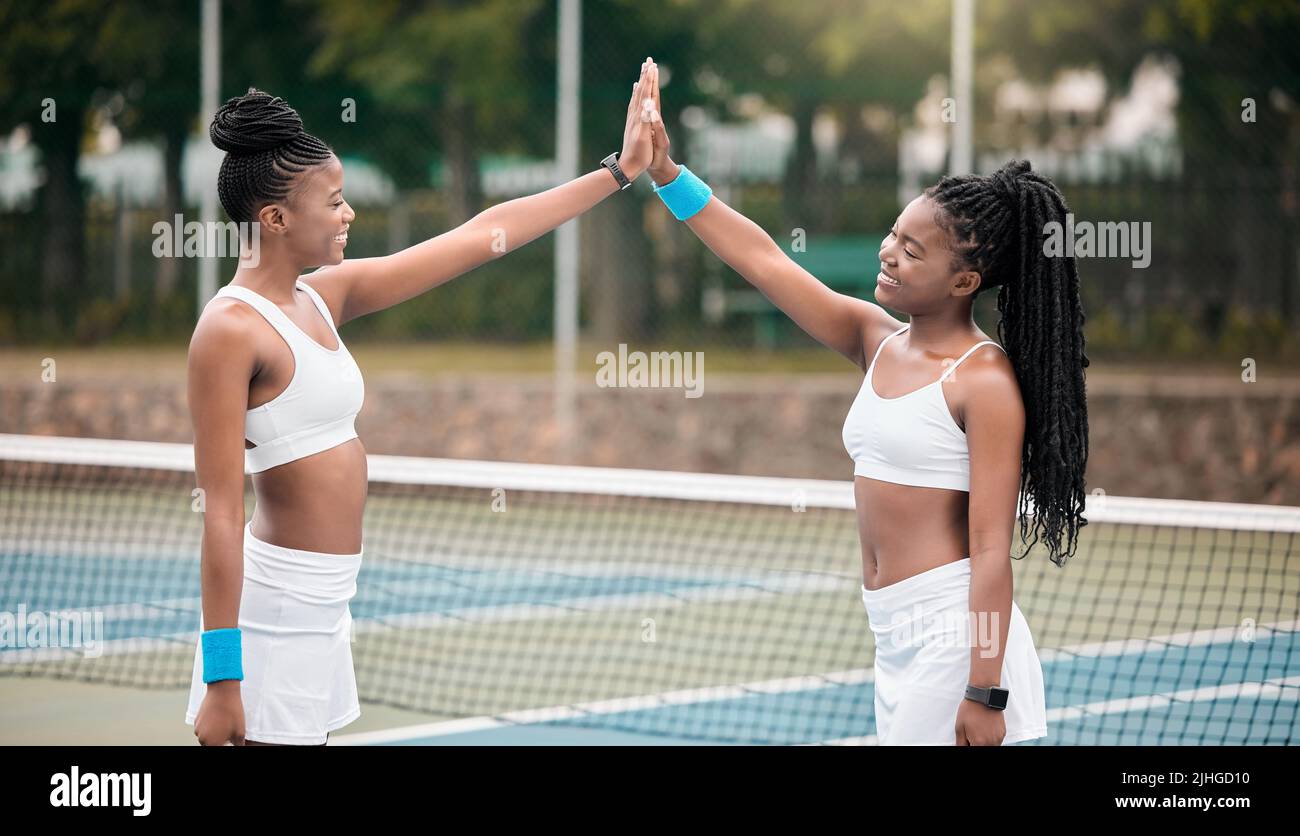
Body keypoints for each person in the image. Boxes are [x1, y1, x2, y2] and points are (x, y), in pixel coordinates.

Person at [186, 63, 660, 746]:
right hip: (272, 612)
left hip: (325, 603)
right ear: (275, 217)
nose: (349, 213)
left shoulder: (324, 295)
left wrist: (619, 172)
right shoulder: (229, 330)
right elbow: (221, 515)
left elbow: (482, 234)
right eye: (336, 201)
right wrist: (224, 681)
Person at [640, 57, 1088, 745]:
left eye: (912, 251)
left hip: (953, 640)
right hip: (891, 634)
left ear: (965, 278)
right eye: (893, 235)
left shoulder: (984, 383)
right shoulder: (873, 338)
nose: (889, 253)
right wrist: (668, 175)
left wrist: (987, 690)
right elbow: (765, 260)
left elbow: (992, 549)